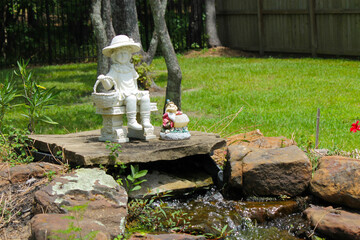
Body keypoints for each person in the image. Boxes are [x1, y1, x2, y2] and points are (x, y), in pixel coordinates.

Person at [97, 35, 152, 130]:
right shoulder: (115, 69)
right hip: (122, 94)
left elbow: (134, 82)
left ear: (130, 54)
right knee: (131, 99)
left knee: (145, 97)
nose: (123, 56)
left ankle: (146, 120)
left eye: (126, 53)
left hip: (133, 91)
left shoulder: (130, 67)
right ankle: (131, 121)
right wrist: (104, 80)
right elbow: (108, 86)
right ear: (114, 56)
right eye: (120, 53)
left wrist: (137, 91)